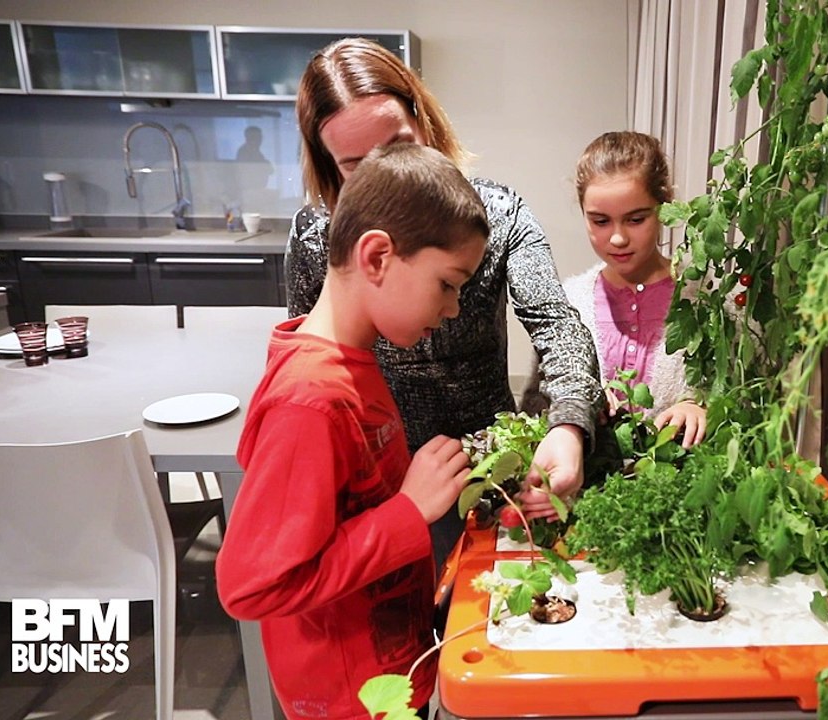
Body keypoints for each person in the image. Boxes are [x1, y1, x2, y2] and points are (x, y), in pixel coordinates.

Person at [286, 38, 601, 548]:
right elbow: (316, 370)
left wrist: (568, 426)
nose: (386, 178)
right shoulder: (314, 237)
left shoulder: (497, 215)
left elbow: (558, 326)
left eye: (398, 144)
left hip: (492, 476)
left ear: (424, 121)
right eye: (355, 165)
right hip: (381, 493)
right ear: (328, 166)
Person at [217, 143, 490, 720]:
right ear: (376, 257)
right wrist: (409, 512)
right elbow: (252, 585)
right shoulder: (310, 400)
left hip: (386, 675)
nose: (454, 309)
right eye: (448, 283)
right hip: (349, 702)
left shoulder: (354, 363)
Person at [528, 131, 706, 448]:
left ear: (663, 206)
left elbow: (739, 400)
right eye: (600, 221)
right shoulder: (568, 304)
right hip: (587, 488)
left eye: (635, 220)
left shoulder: (703, 301)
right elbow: (536, 406)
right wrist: (579, 406)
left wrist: (700, 408)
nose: (618, 238)